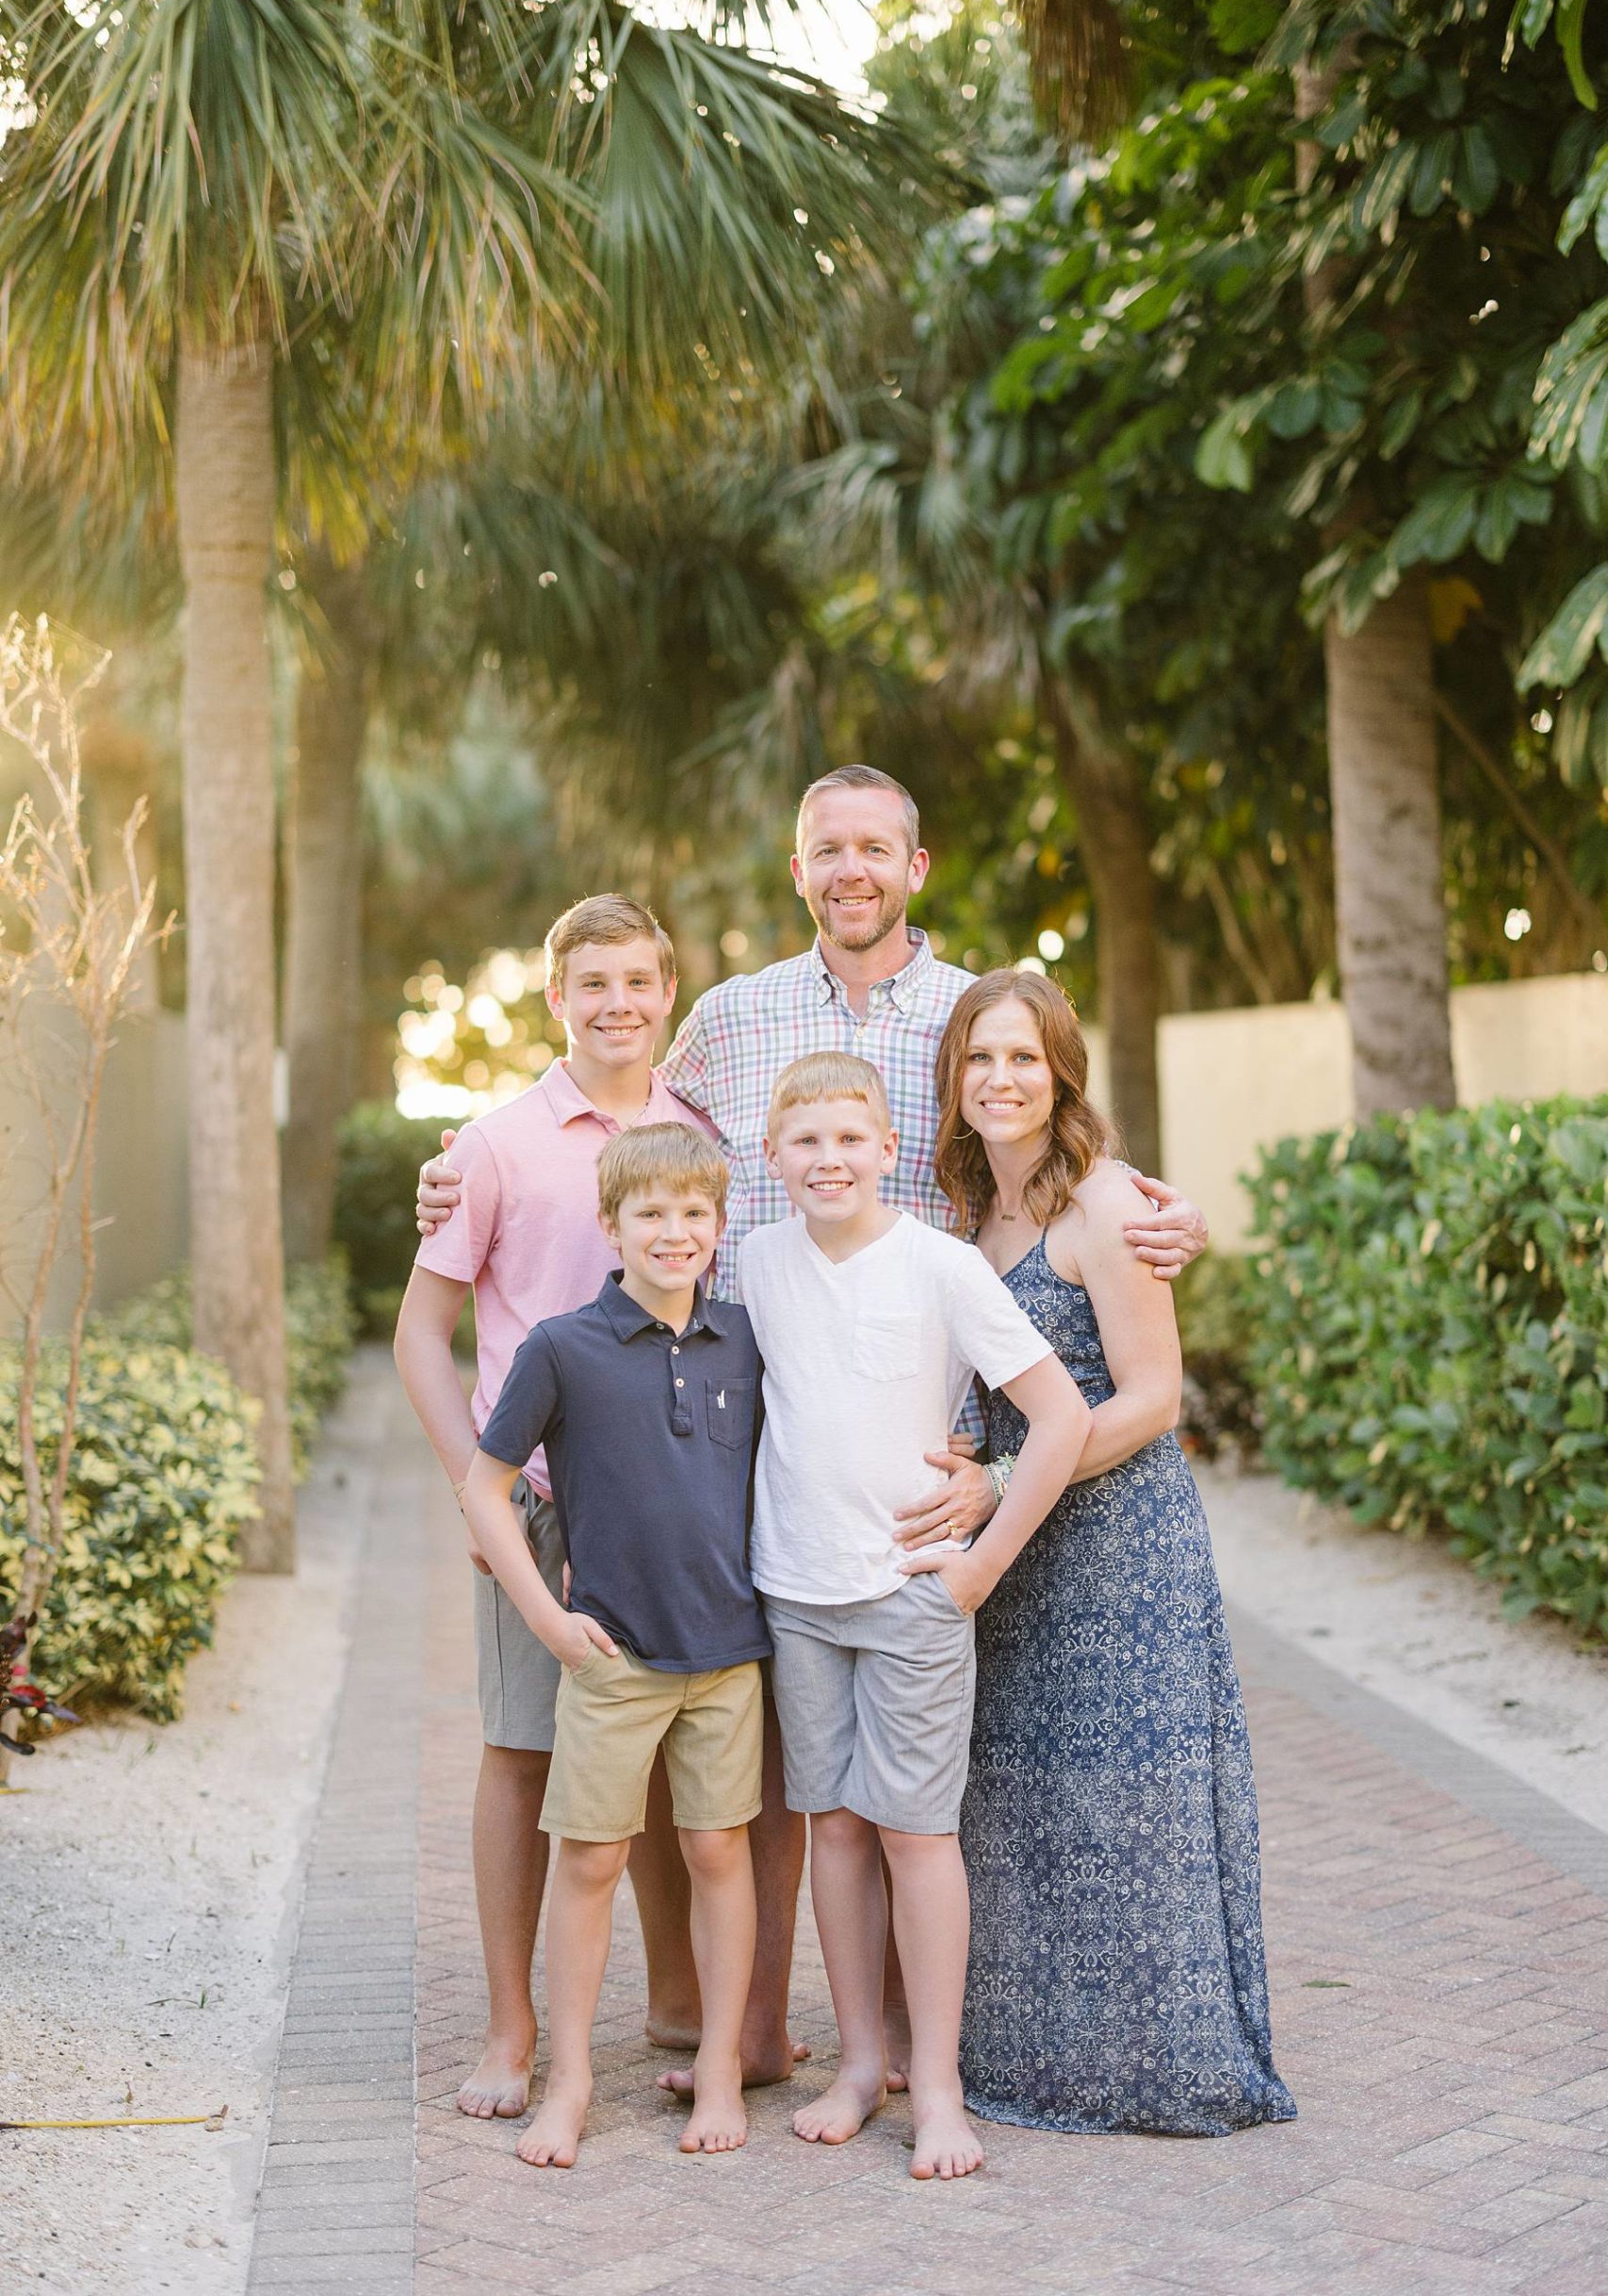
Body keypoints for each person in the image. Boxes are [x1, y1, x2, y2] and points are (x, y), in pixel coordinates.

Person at [414, 765, 1214, 2085]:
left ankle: (903, 2035)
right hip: (749, 1425)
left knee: (919, 1765)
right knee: (777, 1748)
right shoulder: (728, 1020)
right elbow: (621, 1114)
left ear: (914, 864)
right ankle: (751, 2023)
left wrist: (1157, 1209)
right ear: (798, 872)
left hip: (929, 1441)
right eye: (824, 851)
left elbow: (1053, 1140)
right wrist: (462, 1151)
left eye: (873, 849)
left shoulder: (969, 1009)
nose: (849, 870)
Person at [922, 969, 1297, 2137]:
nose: (1001, 1079)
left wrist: (1003, 1481)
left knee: (1134, 1799)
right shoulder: (970, 1217)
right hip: (1013, 1555)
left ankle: (1161, 2064)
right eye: (980, 1059)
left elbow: (1152, 1397)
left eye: (1024, 1058)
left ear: (1062, 1071)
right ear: (955, 1080)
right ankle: (1034, 2061)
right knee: (1021, 1801)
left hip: (1117, 1546)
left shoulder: (1108, 1201)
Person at [738, 1051, 1092, 2178]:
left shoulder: (940, 1267)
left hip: (912, 1592)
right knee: (833, 1829)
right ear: (773, 1158)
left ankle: (936, 2090)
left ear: (889, 1148)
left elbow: (1063, 1417)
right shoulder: (756, 1260)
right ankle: (857, 2065)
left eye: (851, 1139)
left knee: (915, 1832)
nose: (829, 1159)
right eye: (806, 1141)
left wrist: (979, 1565)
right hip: (796, 1590)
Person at [393, 893, 717, 2121]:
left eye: (638, 981)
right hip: (535, 1509)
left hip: (680, 1508)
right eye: (593, 984)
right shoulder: (494, 1146)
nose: (617, 1005)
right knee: (522, 1756)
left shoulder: (702, 1132)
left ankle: (681, 2005)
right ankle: (511, 2029)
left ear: (666, 994)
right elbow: (420, 1335)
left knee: (667, 1759)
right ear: (555, 1000)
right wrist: (475, 1488)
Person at [460, 1122, 770, 2168]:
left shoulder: (745, 1338)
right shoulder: (562, 1347)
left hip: (729, 1653)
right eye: (651, 1213)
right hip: (615, 1655)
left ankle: (721, 2066)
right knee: (589, 1857)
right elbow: (484, 1485)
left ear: (720, 1226)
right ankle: (573, 2079)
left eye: (694, 1213)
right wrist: (549, 1619)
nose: (674, 1232)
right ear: (610, 1225)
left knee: (719, 1850)